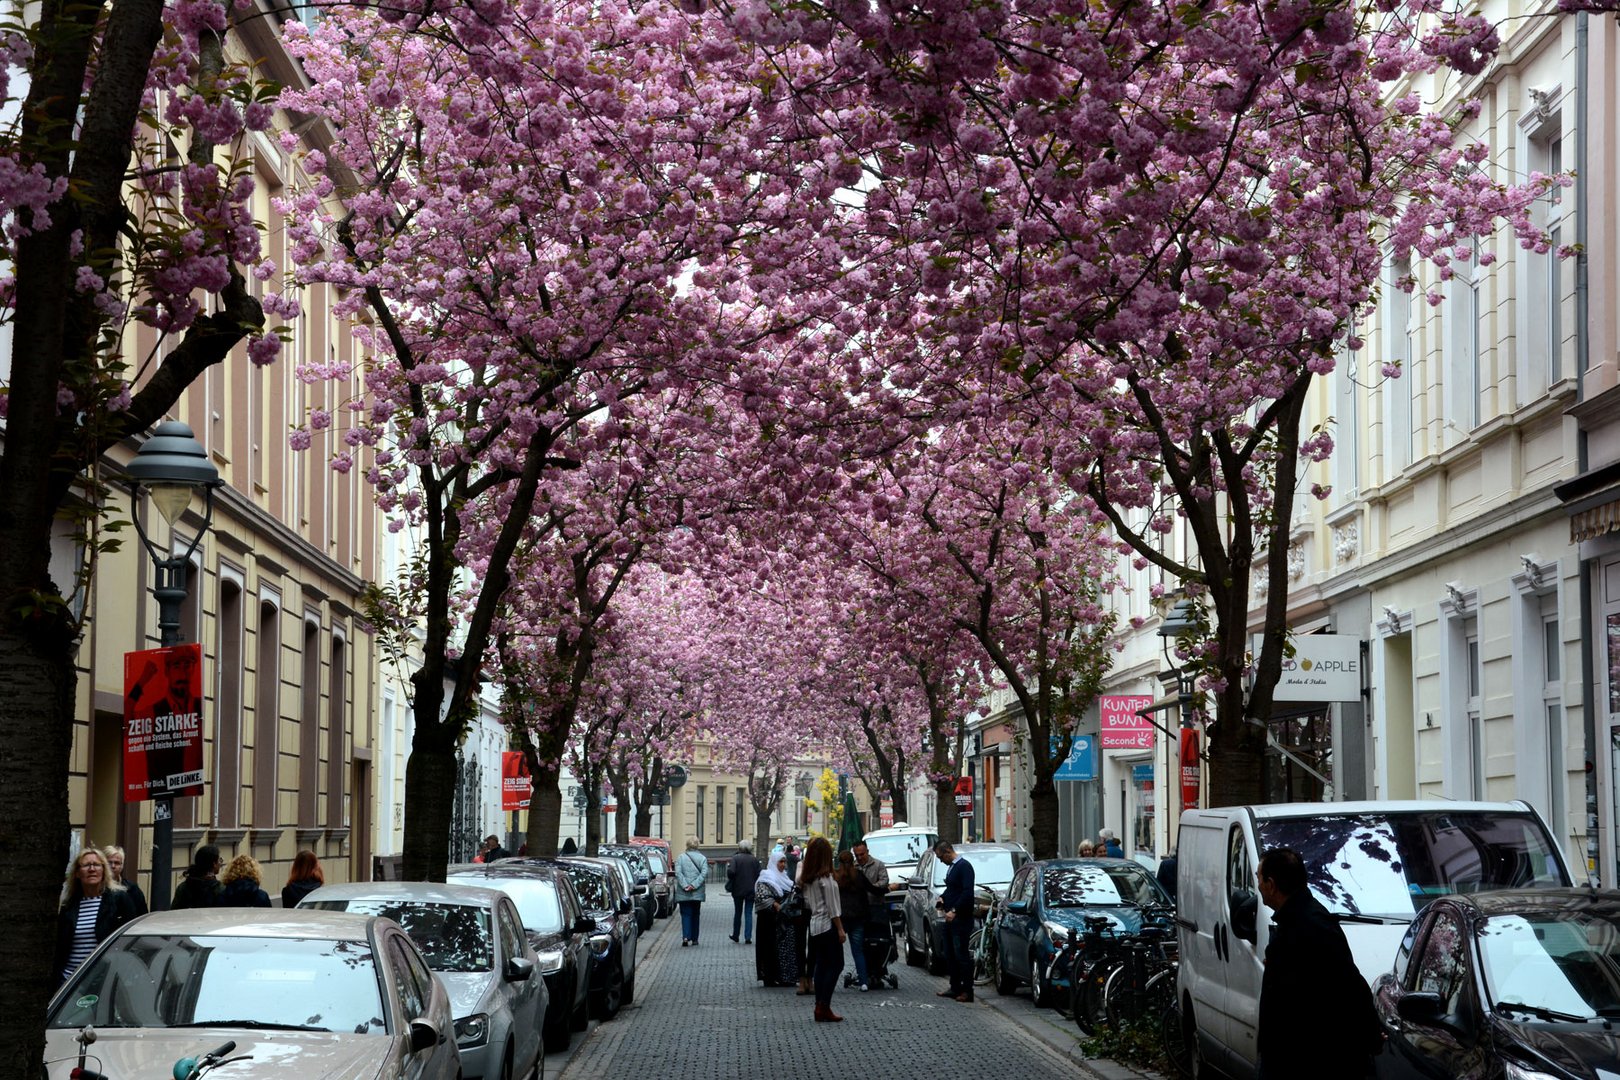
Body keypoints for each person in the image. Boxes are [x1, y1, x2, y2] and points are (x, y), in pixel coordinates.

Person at [1256, 847, 1383, 1080]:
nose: (1258, 887)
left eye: (1259, 879)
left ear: (1271, 884)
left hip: (1306, 1057)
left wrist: (1370, 1033)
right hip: (1293, 1053)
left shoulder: (1311, 924)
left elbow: (1347, 981)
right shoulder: (1296, 919)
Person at [54, 846, 134, 985]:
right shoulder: (69, 905)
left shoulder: (119, 900)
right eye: (86, 865)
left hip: (104, 980)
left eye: (96, 865)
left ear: (104, 870)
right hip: (69, 982)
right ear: (77, 873)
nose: (92, 869)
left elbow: (132, 940)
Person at [800, 836, 845, 1021]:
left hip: (815, 925)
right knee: (836, 964)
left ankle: (820, 1004)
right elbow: (833, 908)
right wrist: (840, 929)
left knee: (821, 965)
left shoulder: (808, 879)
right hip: (828, 925)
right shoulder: (827, 880)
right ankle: (823, 1004)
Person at [934, 840, 975, 1003]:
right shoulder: (952, 868)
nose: (940, 860)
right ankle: (955, 986)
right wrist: (943, 898)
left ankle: (967, 990)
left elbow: (967, 892)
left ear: (947, 852)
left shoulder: (964, 867)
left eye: (940, 857)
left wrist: (955, 910)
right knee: (950, 953)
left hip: (961, 918)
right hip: (950, 918)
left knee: (961, 954)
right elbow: (952, 889)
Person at [754, 850, 798, 987]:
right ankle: (770, 976)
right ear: (774, 862)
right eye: (780, 861)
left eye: (784, 862)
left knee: (786, 948)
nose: (783, 865)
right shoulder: (766, 877)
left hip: (784, 921)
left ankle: (786, 976)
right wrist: (775, 904)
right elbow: (761, 897)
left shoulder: (785, 878)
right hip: (769, 921)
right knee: (769, 948)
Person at [834, 850, 872, 990]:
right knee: (858, 951)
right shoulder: (859, 875)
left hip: (841, 918)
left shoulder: (836, 876)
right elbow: (871, 889)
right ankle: (863, 982)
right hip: (858, 916)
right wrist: (888, 888)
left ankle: (830, 979)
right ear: (853, 860)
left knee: (835, 951)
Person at [675, 838, 708, 946]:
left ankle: (685, 937)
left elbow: (678, 873)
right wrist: (694, 885)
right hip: (697, 892)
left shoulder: (680, 858)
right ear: (697, 845)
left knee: (685, 914)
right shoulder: (702, 858)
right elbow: (704, 874)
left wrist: (685, 885)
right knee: (695, 914)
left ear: (687, 845)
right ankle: (694, 938)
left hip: (683, 892)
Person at [727, 840, 761, 944]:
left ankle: (736, 935)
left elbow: (731, 872)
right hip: (751, 890)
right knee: (748, 913)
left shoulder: (735, 858)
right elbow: (759, 873)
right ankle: (748, 937)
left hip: (737, 890)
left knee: (738, 912)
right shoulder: (754, 859)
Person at [171, 843, 225, 909]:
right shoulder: (220, 889)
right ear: (214, 864)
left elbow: (174, 912)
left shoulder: (183, 887)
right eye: (219, 860)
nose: (220, 863)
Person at [103, 845, 148, 917]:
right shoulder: (96, 888)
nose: (113, 866)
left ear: (122, 866)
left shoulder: (132, 889)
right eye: (109, 862)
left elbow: (142, 916)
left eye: (117, 863)